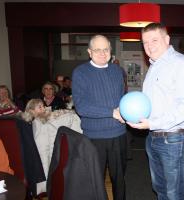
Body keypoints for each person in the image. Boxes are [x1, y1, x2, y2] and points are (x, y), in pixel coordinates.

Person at [127, 23, 184, 200]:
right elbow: (152, 103)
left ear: (166, 40)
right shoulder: (154, 66)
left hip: (173, 138)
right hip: (153, 136)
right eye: (145, 42)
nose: (149, 46)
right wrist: (128, 112)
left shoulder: (181, 63)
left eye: (154, 40)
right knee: (160, 188)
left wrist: (152, 123)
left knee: (174, 193)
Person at [72, 35, 126, 200]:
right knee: (95, 180)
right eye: (97, 49)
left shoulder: (117, 71)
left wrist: (126, 112)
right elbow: (81, 107)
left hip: (119, 133)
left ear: (110, 51)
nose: (102, 53)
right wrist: (111, 112)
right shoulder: (80, 73)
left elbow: (121, 98)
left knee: (120, 179)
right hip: (94, 137)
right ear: (89, 52)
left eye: (106, 49)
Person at [21, 98, 82, 194]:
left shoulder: (45, 119)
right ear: (32, 110)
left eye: (43, 106)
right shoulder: (36, 122)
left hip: (51, 148)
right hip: (44, 150)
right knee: (45, 163)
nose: (44, 108)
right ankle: (45, 186)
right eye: (39, 107)